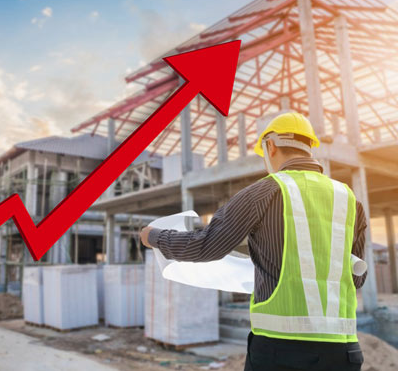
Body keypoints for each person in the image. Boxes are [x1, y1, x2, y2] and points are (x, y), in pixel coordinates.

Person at [140, 112, 367, 371]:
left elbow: (205, 245)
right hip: (343, 352)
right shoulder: (350, 200)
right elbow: (357, 278)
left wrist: (155, 237)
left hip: (281, 353)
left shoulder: (263, 193)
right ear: (309, 148)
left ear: (271, 145)